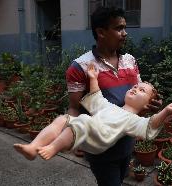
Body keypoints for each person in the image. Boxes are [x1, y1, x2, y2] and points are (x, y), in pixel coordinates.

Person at [65, 6, 163, 186]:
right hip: (101, 148)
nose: (125, 33)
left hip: (127, 143)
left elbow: (139, 96)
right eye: (119, 28)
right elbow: (74, 107)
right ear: (101, 32)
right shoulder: (80, 67)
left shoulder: (130, 61)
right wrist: (70, 135)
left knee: (119, 179)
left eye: (124, 28)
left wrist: (151, 103)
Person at [13, 63, 172, 162]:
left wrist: (165, 111)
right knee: (62, 119)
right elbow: (96, 97)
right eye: (135, 86)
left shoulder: (133, 120)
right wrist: (93, 77)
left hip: (102, 139)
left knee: (83, 120)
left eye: (142, 90)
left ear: (147, 105)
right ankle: (33, 147)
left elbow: (151, 124)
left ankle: (52, 148)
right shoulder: (109, 106)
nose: (135, 89)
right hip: (88, 132)